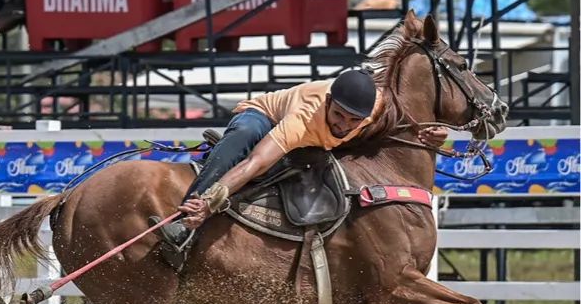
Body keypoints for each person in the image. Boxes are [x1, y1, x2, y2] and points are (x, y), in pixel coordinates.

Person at [158, 69, 436, 258]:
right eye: (339, 115)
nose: (343, 125)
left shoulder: (376, 108)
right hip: (264, 118)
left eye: (354, 121)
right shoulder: (302, 120)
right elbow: (255, 163)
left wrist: (432, 133)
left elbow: (411, 122)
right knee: (244, 139)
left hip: (311, 143)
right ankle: (185, 223)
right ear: (328, 102)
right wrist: (209, 202)